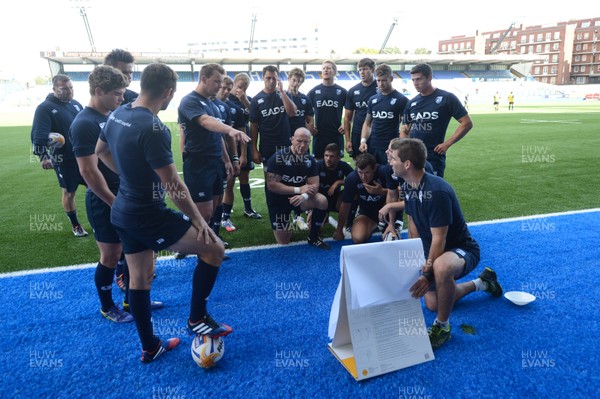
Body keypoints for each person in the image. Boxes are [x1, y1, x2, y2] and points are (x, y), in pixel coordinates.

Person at [97, 63, 240, 363]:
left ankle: (150, 346)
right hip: (147, 215)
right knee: (215, 248)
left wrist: (129, 177)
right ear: (168, 93)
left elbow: (101, 151)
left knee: (140, 277)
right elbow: (174, 186)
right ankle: (196, 318)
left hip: (123, 212)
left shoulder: (118, 114)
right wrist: (201, 221)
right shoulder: (154, 127)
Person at [387, 138, 502, 349]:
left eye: (393, 158)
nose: (390, 162)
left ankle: (443, 326)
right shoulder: (409, 186)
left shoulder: (436, 191)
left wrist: (427, 273)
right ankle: (483, 283)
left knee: (441, 268)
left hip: (462, 250)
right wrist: (414, 260)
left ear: (407, 164)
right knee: (434, 303)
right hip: (437, 251)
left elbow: (439, 240)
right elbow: (412, 227)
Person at [70, 65, 136, 323]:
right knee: (110, 255)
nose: (122, 98)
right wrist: (113, 201)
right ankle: (108, 307)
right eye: (117, 93)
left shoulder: (113, 115)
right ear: (99, 91)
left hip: (125, 195)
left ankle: (134, 300)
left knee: (133, 249)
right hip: (103, 200)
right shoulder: (84, 123)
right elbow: (88, 172)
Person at [178, 64, 250, 251]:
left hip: (216, 162)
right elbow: (204, 122)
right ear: (203, 79)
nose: (220, 86)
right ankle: (194, 247)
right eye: (216, 81)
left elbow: (217, 137)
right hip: (198, 163)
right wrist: (231, 129)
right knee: (204, 211)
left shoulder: (215, 105)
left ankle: (212, 243)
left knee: (217, 205)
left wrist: (229, 160)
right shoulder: (189, 101)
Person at [30, 74, 88, 237]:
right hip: (64, 159)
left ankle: (99, 221)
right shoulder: (45, 108)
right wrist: (43, 156)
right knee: (69, 192)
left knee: (96, 188)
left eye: (70, 88)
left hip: (84, 156)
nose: (69, 92)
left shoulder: (76, 105)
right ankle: (76, 225)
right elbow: (38, 134)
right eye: (64, 89)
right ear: (54, 89)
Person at [401, 63, 473, 178]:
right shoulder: (412, 103)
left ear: (429, 77)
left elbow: (467, 123)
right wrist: (405, 149)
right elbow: (404, 129)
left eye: (418, 79)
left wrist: (447, 144)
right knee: (414, 191)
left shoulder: (447, 98)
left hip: (434, 156)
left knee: (433, 191)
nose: (415, 83)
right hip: (413, 157)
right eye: (413, 80)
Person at [265, 127, 330, 249]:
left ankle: (313, 237)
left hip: (299, 198)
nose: (302, 145)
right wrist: (298, 190)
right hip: (278, 201)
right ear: (292, 140)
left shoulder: (309, 160)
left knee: (322, 201)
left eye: (306, 142)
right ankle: (289, 219)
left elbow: (314, 185)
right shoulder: (278, 157)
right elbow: (272, 185)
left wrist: (303, 196)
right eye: (299, 141)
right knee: (284, 241)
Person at [333, 153, 388, 244]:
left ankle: (392, 224)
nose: (363, 177)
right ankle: (373, 225)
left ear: (374, 168)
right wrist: (339, 230)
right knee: (358, 238)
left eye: (367, 172)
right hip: (368, 213)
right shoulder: (352, 178)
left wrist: (382, 191)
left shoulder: (384, 172)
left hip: (388, 212)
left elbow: (401, 192)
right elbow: (345, 205)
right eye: (360, 172)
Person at [359, 63, 408, 165]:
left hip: (391, 147)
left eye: (384, 80)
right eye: (378, 80)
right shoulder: (373, 100)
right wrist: (363, 141)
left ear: (391, 79)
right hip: (373, 146)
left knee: (390, 177)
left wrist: (402, 145)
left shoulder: (401, 100)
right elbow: (367, 123)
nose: (380, 84)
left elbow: (406, 126)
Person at [228, 72, 262, 220]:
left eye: (244, 88)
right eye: (239, 86)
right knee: (229, 179)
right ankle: (225, 212)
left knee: (244, 176)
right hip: (229, 143)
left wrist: (244, 100)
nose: (240, 90)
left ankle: (248, 208)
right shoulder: (225, 99)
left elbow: (257, 116)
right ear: (234, 84)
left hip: (245, 141)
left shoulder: (249, 100)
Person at [250, 65, 297, 169]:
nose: (271, 81)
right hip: (267, 145)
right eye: (268, 78)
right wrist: (254, 149)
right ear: (263, 78)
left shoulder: (284, 95)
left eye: (274, 78)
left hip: (285, 144)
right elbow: (253, 126)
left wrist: (282, 92)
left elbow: (292, 113)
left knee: (286, 176)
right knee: (269, 178)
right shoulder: (256, 100)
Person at [286, 67, 315, 231]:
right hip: (286, 143)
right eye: (294, 79)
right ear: (289, 78)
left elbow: (310, 120)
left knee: (302, 177)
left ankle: (298, 215)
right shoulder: (280, 96)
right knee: (287, 178)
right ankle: (286, 212)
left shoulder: (305, 99)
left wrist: (306, 136)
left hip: (302, 146)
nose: (296, 83)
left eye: (299, 80)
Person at [218, 76, 247, 233]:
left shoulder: (232, 109)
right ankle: (210, 222)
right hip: (211, 156)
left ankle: (225, 217)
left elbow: (239, 134)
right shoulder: (205, 105)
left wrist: (241, 156)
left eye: (229, 89)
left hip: (230, 154)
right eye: (223, 87)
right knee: (213, 191)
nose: (226, 91)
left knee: (229, 185)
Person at [307, 60, 348, 160]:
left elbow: (352, 110)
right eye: (324, 68)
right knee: (318, 165)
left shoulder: (342, 92)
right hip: (319, 135)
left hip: (336, 135)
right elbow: (305, 111)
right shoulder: (313, 91)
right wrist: (310, 126)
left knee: (336, 165)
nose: (325, 70)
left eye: (328, 68)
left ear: (334, 72)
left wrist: (346, 124)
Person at [344, 58, 377, 159]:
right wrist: (348, 140)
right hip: (357, 132)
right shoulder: (353, 91)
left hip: (376, 133)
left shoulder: (380, 88)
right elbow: (347, 118)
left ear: (372, 70)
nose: (362, 72)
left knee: (376, 165)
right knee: (359, 164)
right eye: (360, 69)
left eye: (365, 69)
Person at [315, 142, 354, 227]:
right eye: (326, 155)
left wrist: (338, 182)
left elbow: (356, 180)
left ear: (339, 158)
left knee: (352, 191)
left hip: (335, 197)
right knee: (314, 226)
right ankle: (320, 213)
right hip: (319, 198)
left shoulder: (343, 166)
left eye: (332, 156)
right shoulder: (317, 166)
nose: (328, 159)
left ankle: (349, 221)